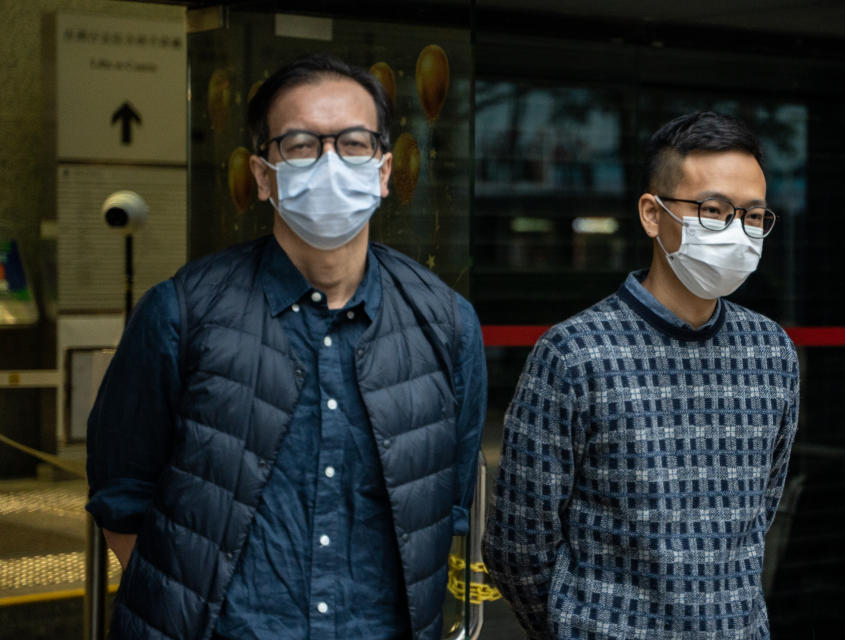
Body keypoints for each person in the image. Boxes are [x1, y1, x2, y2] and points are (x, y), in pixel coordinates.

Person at [86, 53, 487, 640]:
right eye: (300, 144)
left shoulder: (446, 323)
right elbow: (122, 495)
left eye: (353, 143)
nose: (329, 162)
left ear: (382, 169)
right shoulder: (182, 312)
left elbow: (443, 500)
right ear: (262, 174)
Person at [482, 111, 800, 639]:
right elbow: (518, 546)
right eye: (714, 209)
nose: (737, 231)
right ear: (652, 215)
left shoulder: (771, 351)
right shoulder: (574, 354)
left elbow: (755, 519)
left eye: (753, 215)